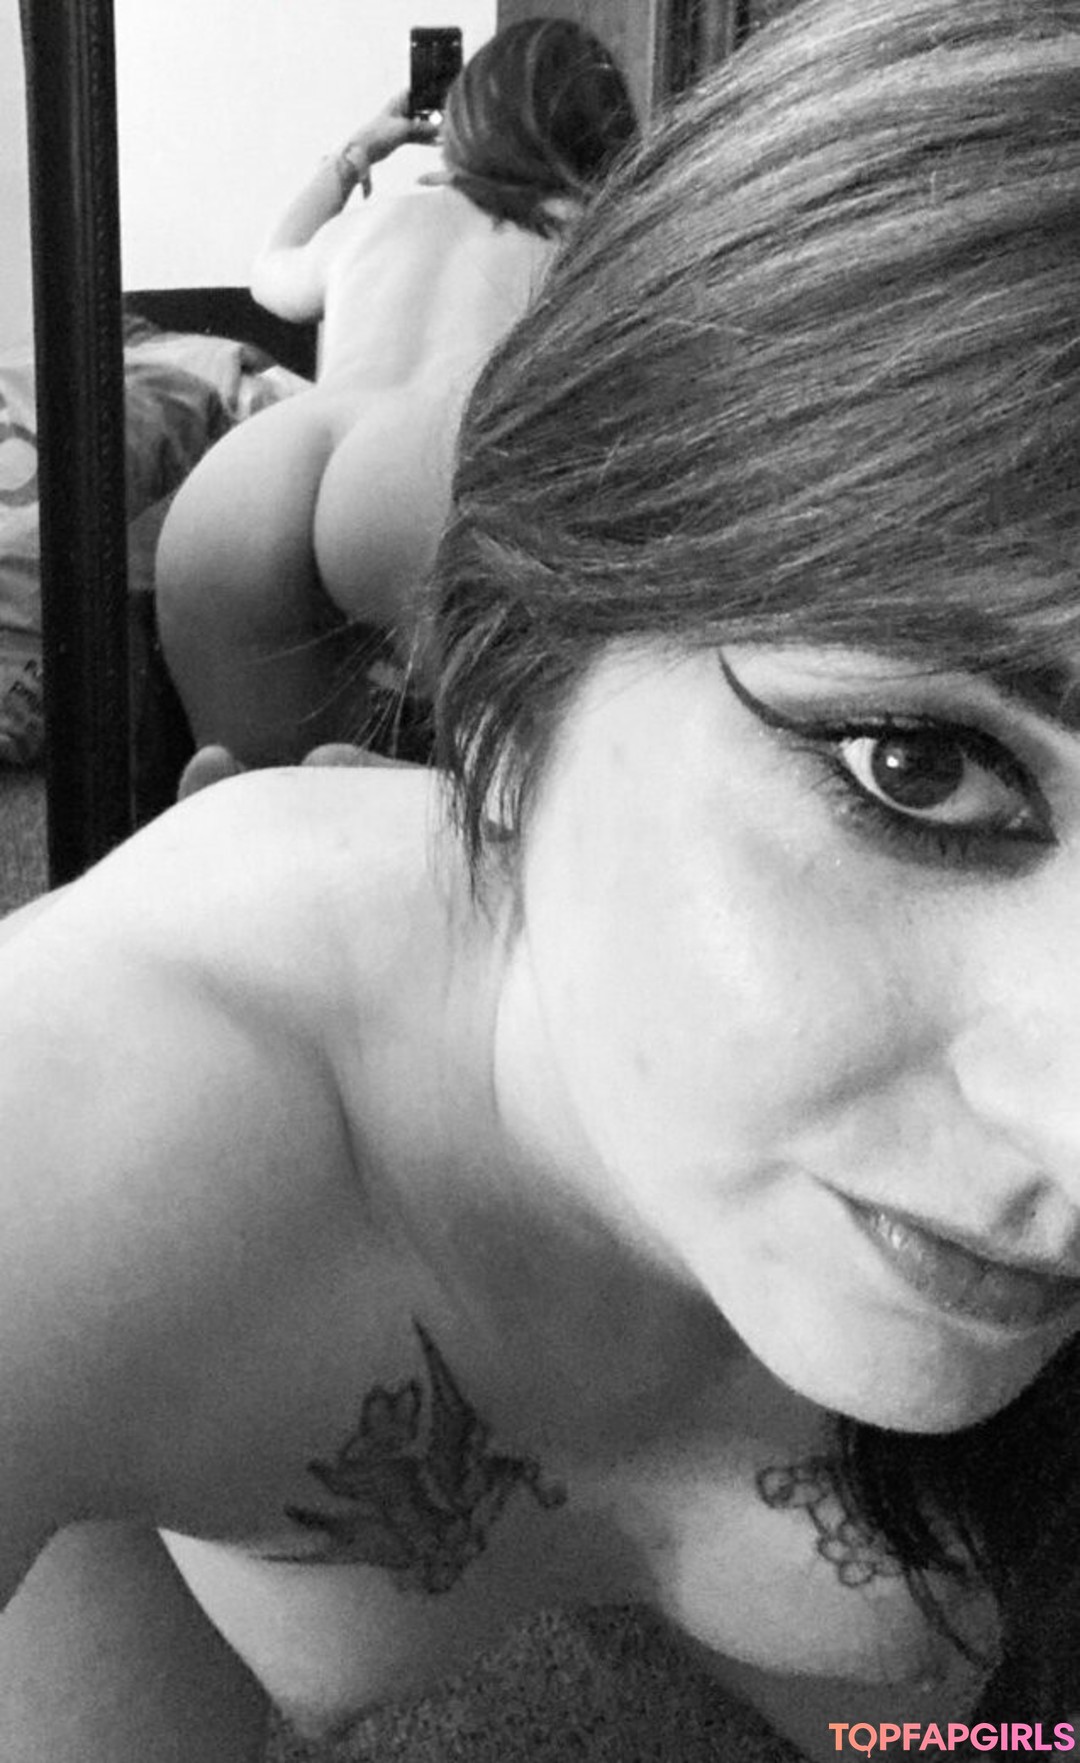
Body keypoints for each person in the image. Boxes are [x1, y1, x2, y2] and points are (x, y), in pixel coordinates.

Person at [1, 1, 1079, 1758]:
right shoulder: (87, 1132)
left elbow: (281, 290)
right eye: (919, 764)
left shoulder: (396, 209)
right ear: (503, 689)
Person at [154, 20, 637, 767]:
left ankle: (266, 800)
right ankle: (388, 790)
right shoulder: (600, 236)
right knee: (499, 786)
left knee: (254, 795)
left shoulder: (379, 220)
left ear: (465, 125)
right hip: (432, 468)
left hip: (253, 471)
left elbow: (269, 273)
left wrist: (358, 151)